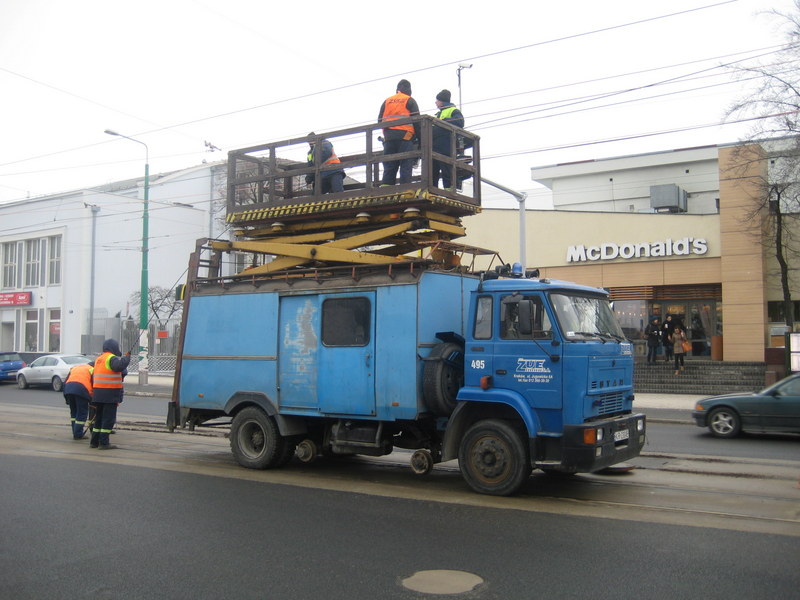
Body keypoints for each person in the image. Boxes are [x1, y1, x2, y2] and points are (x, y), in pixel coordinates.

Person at [377, 79, 420, 185]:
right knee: (406, 164)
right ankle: (405, 189)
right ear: (409, 89)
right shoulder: (409, 100)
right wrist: (421, 139)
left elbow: (379, 120)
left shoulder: (387, 101)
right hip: (405, 137)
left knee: (389, 164)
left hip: (388, 137)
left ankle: (386, 189)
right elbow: (418, 122)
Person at [90, 339, 131, 450]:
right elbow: (119, 366)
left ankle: (94, 442)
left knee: (99, 419)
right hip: (109, 393)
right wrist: (127, 358)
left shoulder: (99, 359)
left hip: (98, 394)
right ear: (114, 347)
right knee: (108, 419)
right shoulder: (111, 358)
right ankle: (104, 443)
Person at [431, 89, 465, 190]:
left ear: (442, 101)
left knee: (446, 170)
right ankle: (433, 192)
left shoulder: (453, 110)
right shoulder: (437, 114)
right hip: (434, 147)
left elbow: (460, 122)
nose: (436, 102)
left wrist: (443, 122)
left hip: (446, 146)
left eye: (437, 100)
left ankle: (449, 192)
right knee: (433, 172)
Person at [63, 360, 93, 439]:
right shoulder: (92, 370)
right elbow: (94, 385)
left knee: (74, 412)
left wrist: (66, 398)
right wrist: (92, 399)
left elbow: (65, 382)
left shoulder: (75, 368)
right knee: (82, 413)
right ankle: (78, 434)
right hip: (81, 390)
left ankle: (75, 431)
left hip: (68, 389)